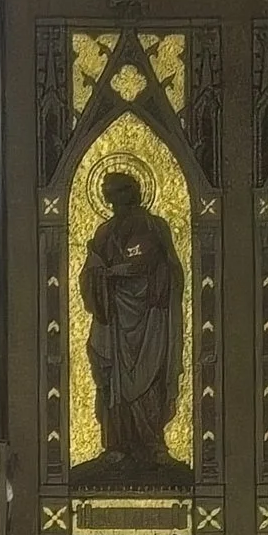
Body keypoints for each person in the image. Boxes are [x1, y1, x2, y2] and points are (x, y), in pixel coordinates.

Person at [78, 168, 184, 474]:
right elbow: (91, 272)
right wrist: (101, 276)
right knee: (114, 380)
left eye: (125, 190)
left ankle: (154, 444)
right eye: (113, 194)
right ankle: (117, 445)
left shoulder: (155, 226)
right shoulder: (104, 232)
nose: (120, 199)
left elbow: (170, 269)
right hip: (114, 319)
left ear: (135, 191)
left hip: (150, 318)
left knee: (150, 378)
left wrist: (147, 276)